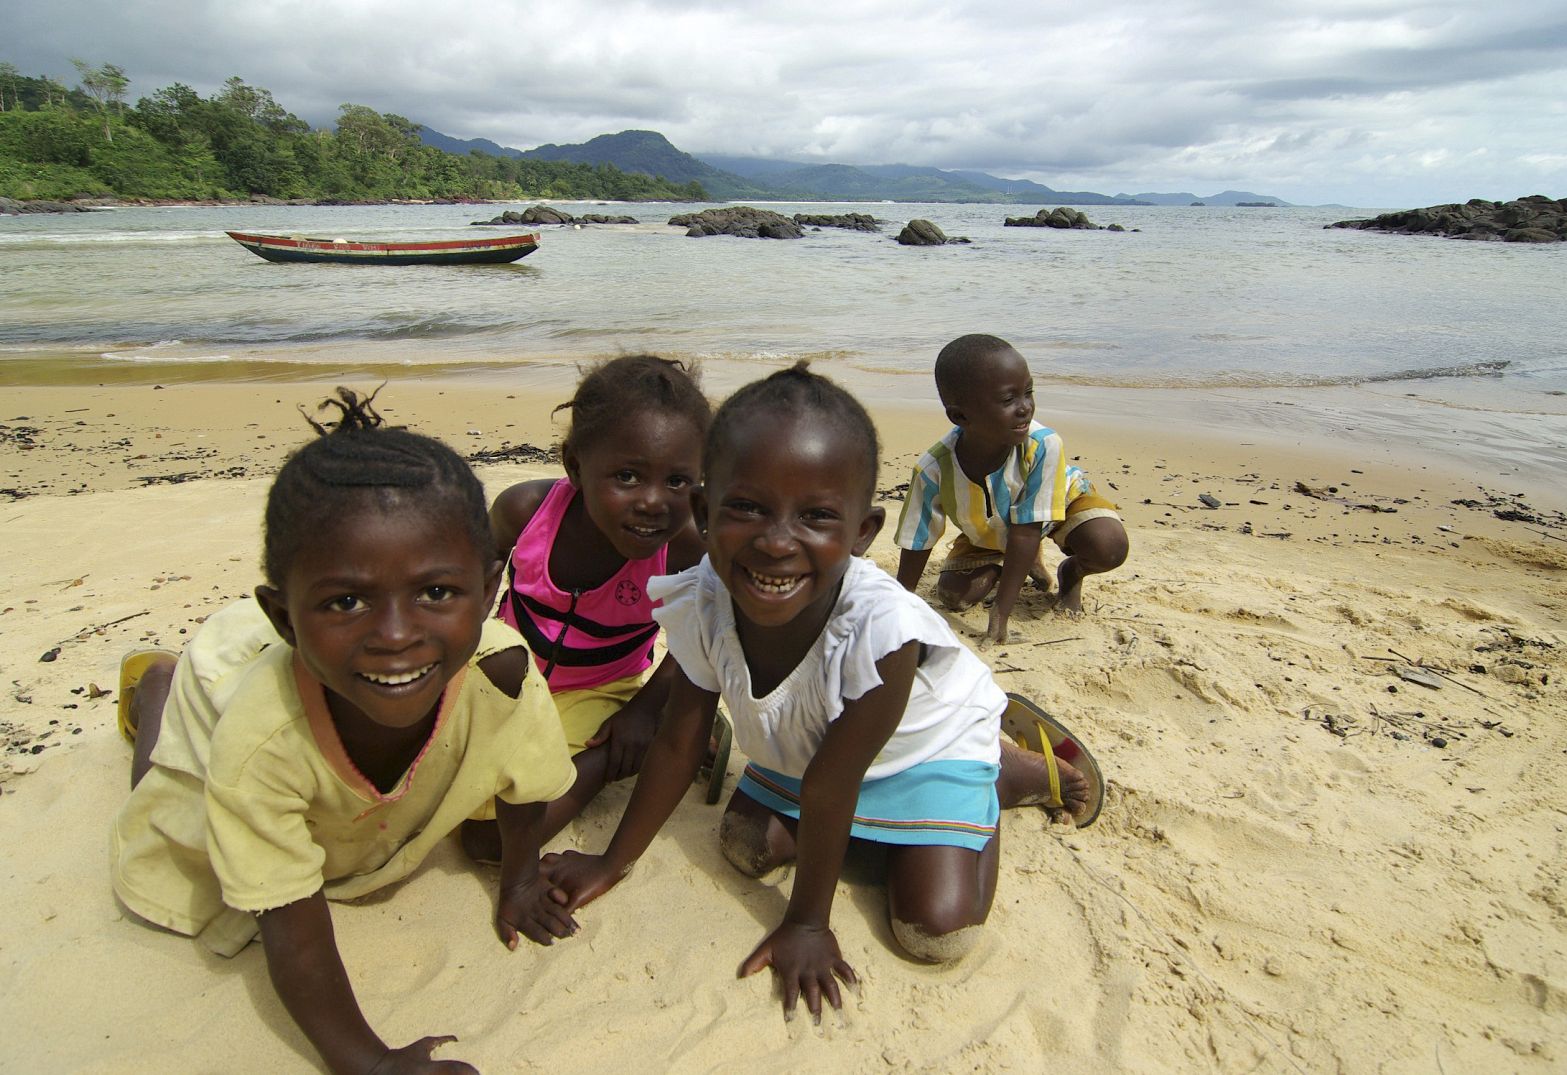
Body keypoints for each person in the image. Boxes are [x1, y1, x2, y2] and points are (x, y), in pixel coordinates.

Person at [544, 364, 1103, 1022]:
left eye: (815, 516)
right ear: (703, 510)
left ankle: (1007, 772)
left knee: (935, 932)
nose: (776, 540)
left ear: (862, 532)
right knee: (744, 845)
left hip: (922, 748)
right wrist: (614, 860)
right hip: (812, 755)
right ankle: (896, 827)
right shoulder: (703, 598)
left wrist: (808, 923)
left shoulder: (882, 632)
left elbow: (832, 785)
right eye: (747, 507)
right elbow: (679, 738)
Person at [110, 389, 579, 1075]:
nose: (394, 634)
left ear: (486, 589)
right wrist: (371, 1062)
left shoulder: (502, 673)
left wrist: (519, 881)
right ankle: (161, 690)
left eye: (437, 593)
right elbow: (288, 922)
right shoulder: (262, 737)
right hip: (227, 695)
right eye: (346, 601)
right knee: (170, 817)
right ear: (282, 617)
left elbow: (523, 787)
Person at [458, 355, 711, 862]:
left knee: (489, 842)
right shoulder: (523, 513)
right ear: (575, 464)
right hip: (508, 676)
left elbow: (697, 638)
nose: (653, 502)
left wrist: (643, 710)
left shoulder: (683, 548)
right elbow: (466, 601)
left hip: (601, 690)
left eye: (678, 482)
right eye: (627, 476)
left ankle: (623, 752)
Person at [893, 333, 1129, 641]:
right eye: (1008, 400)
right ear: (960, 416)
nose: (1025, 408)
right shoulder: (933, 469)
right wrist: (900, 606)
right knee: (955, 597)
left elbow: (1028, 528)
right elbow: (917, 540)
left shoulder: (1043, 445)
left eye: (1028, 393)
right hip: (990, 532)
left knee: (1107, 546)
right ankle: (1013, 563)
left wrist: (1000, 615)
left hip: (1054, 511)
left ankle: (1071, 574)